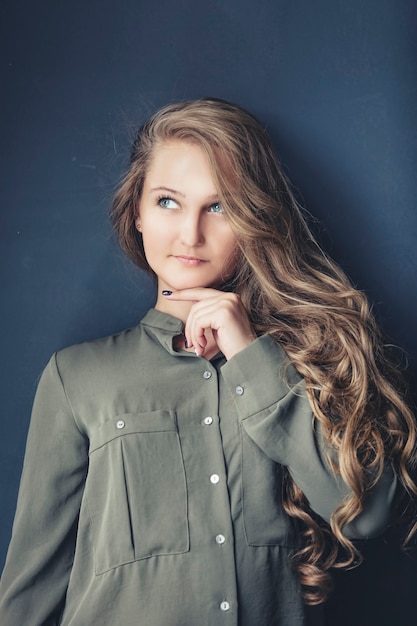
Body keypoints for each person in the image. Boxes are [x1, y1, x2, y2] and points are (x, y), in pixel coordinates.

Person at [0, 98, 416, 626]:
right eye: (169, 202)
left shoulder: (298, 363)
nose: (190, 234)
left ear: (252, 220)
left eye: (218, 207)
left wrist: (252, 358)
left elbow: (368, 514)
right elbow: (27, 598)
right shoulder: (76, 378)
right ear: (138, 214)